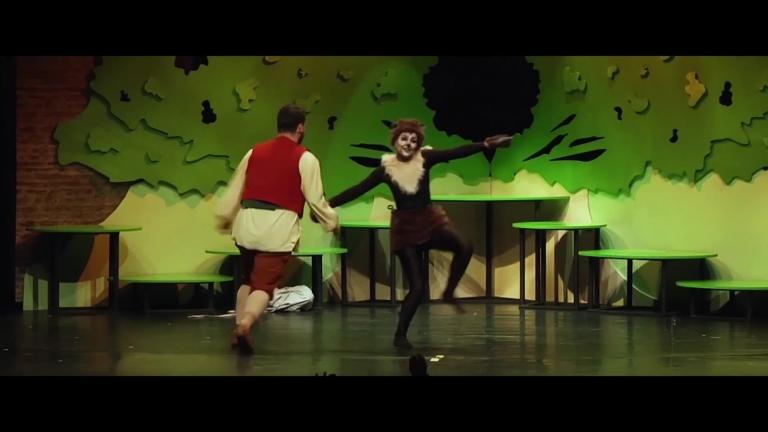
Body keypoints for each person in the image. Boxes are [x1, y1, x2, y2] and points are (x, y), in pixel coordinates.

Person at [327, 119, 512, 349]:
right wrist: (327, 205)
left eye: (413, 140)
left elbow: (455, 153)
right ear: (395, 141)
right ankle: (400, 335)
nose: (409, 143)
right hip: (406, 230)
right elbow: (358, 189)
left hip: (429, 222)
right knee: (417, 287)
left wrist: (485, 145)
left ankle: (449, 291)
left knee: (464, 246)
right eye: (404, 139)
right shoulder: (386, 170)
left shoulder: (425, 158)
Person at [215, 104, 339, 354]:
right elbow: (316, 199)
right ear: (301, 127)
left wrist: (225, 215)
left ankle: (238, 326)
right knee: (263, 286)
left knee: (248, 280)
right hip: (276, 227)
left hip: (247, 223)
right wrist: (331, 222)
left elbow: (235, 187)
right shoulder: (306, 158)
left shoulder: (254, 152)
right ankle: (246, 324)